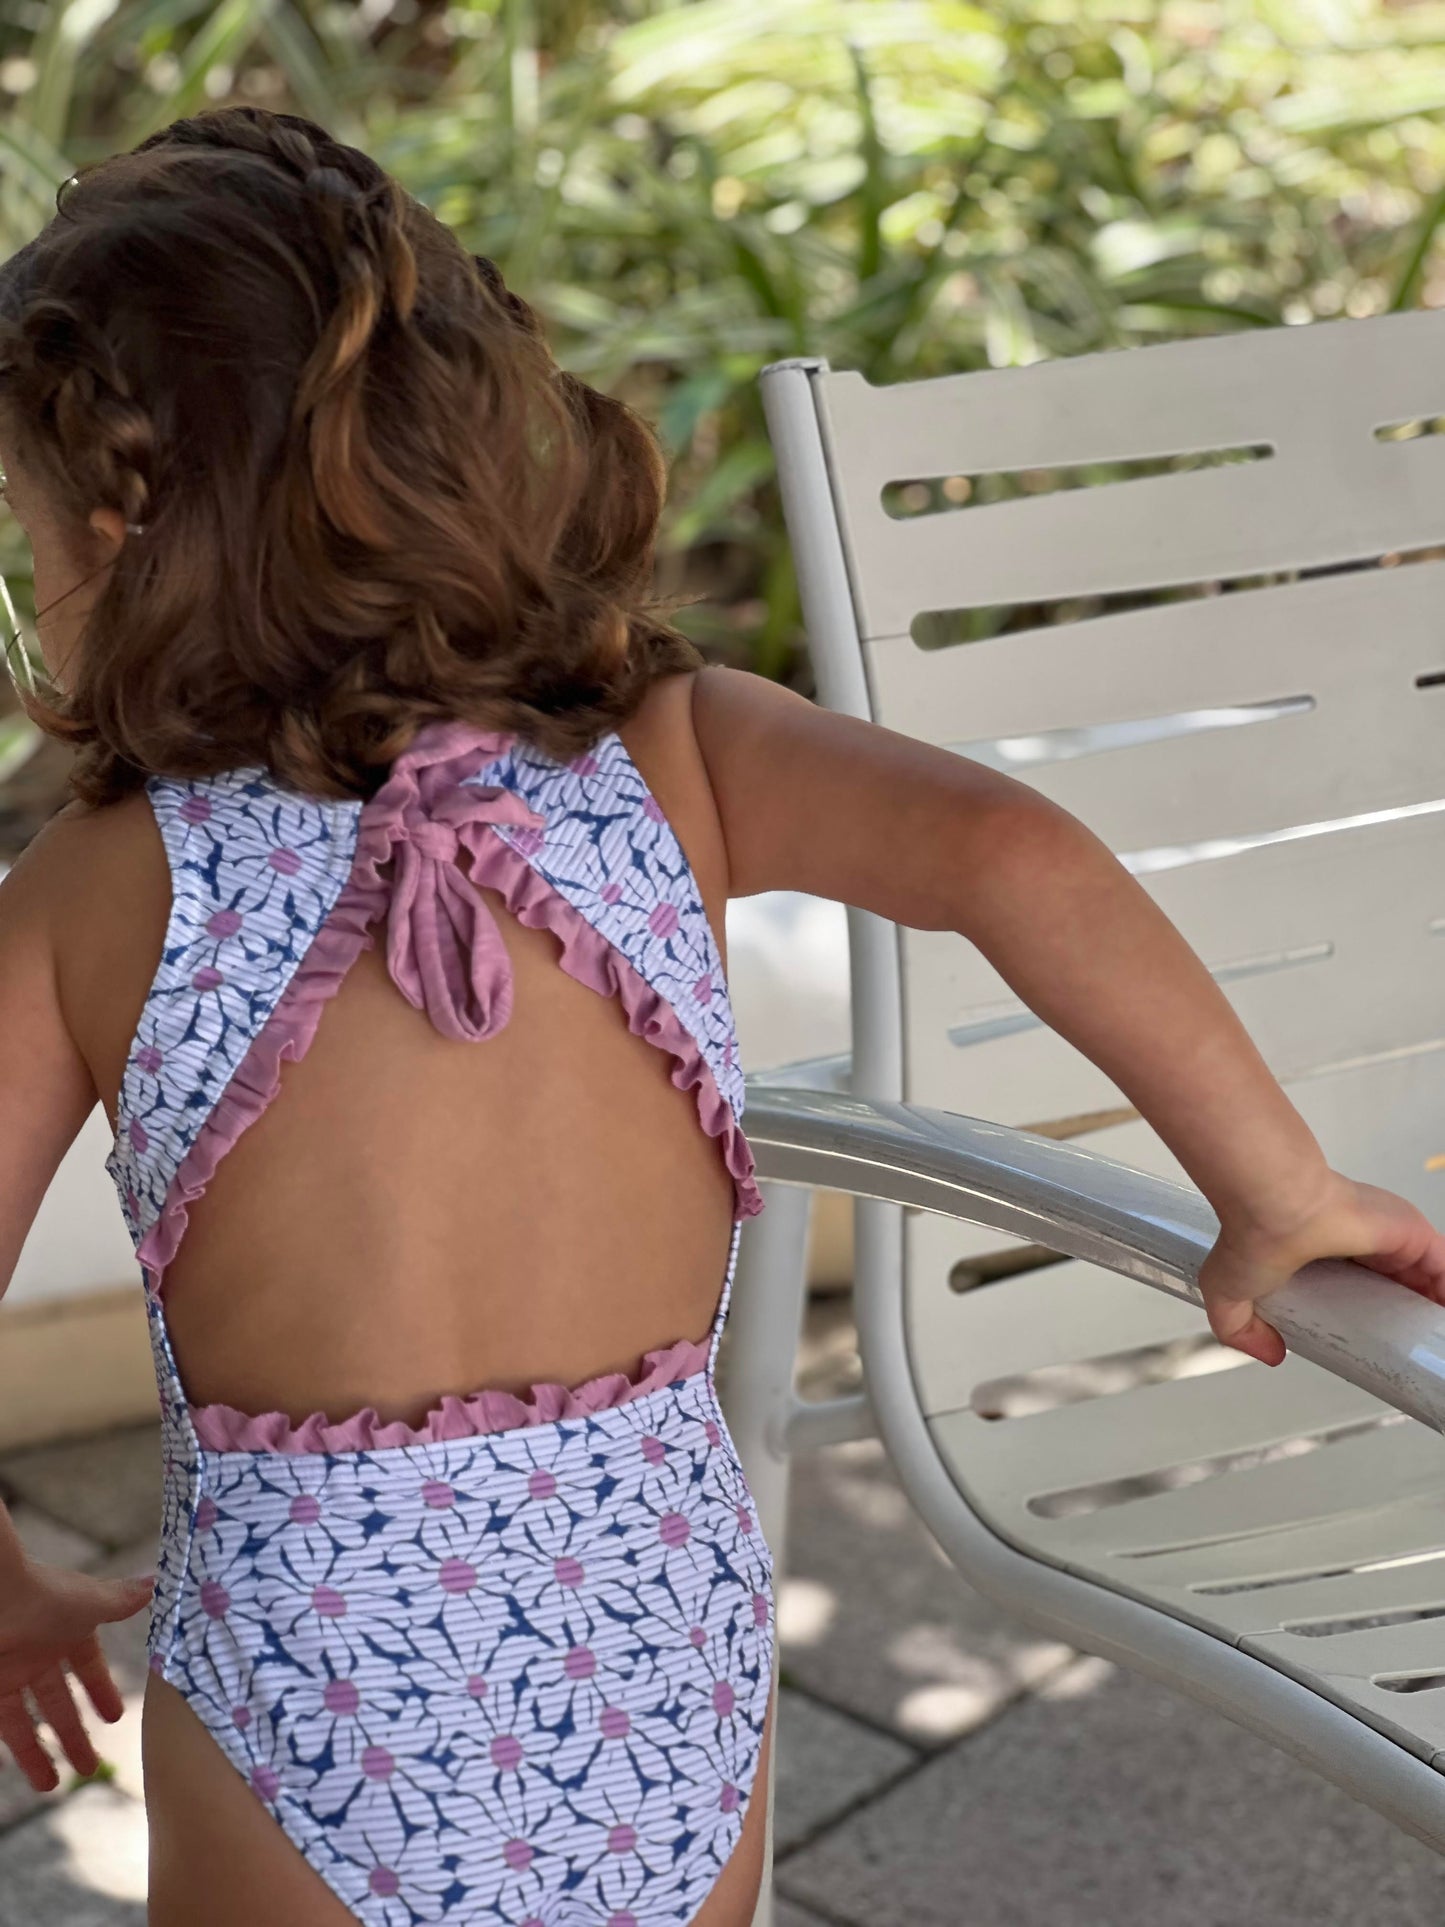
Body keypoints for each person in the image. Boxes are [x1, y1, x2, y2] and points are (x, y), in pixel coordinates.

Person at [0, 105, 1440, 1927]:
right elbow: (1009, 848)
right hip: (656, 1658)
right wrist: (1273, 1187)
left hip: (321, 1694)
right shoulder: (668, 750)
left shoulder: (98, 890)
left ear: (119, 533)